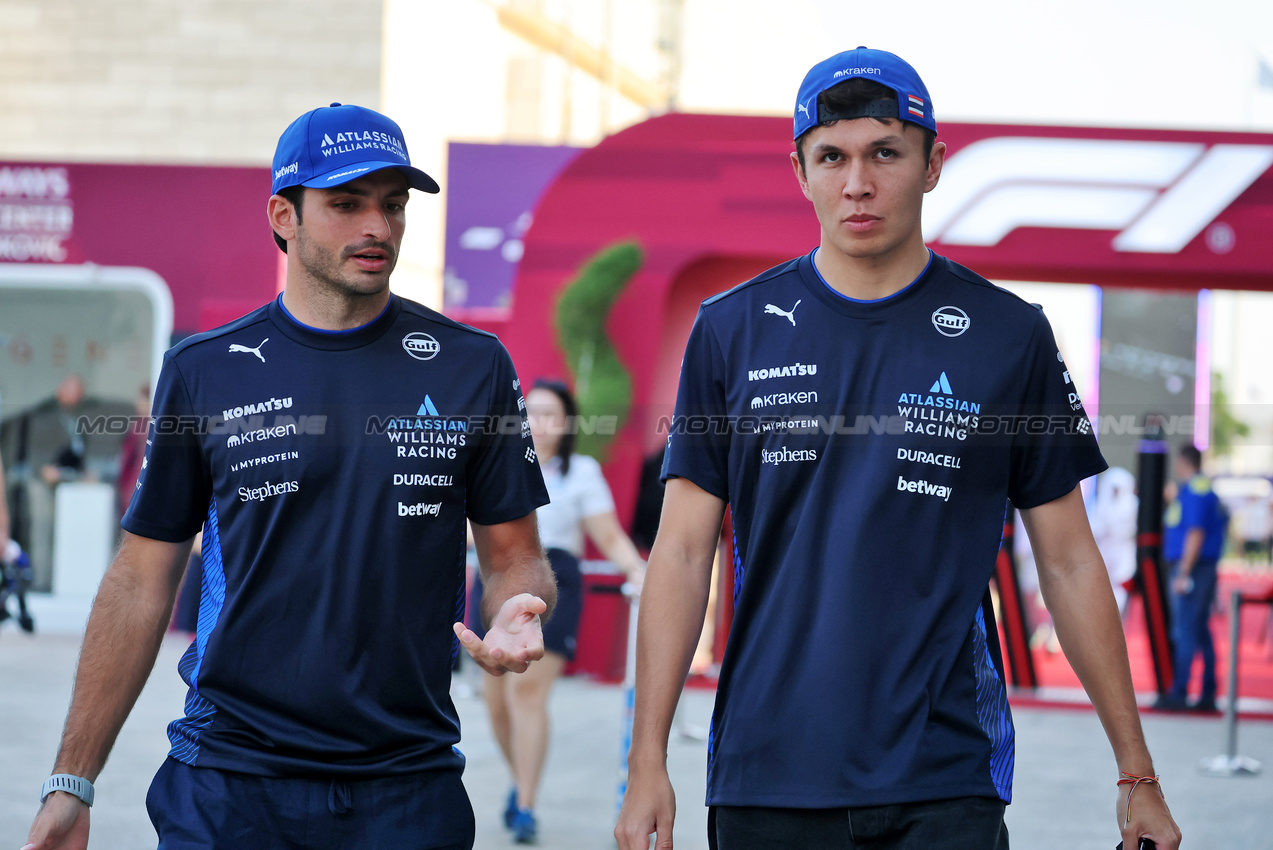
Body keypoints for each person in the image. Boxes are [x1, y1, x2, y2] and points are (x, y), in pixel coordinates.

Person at [615, 47, 1181, 850]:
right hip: (767, 771)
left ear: (931, 164)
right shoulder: (730, 329)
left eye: (884, 152)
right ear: (800, 172)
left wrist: (1136, 773)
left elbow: (1068, 560)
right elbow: (678, 554)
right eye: (832, 157)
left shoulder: (1007, 334)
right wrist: (646, 763)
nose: (857, 182)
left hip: (944, 775)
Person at [24, 102, 557, 850]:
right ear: (284, 215)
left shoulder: (474, 367)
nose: (377, 227)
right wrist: (72, 782)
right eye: (345, 204)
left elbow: (513, 557)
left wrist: (519, 605)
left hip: (407, 789)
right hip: (229, 784)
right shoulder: (202, 370)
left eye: (393, 205)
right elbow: (141, 578)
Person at [470, 378, 645, 843]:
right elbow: (471, 532)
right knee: (496, 705)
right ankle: (518, 780)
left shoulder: (581, 471)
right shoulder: (494, 462)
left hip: (554, 581)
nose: (541, 423)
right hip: (496, 580)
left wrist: (637, 570)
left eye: (553, 414)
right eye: (533, 412)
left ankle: (526, 805)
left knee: (526, 696)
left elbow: (608, 536)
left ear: (567, 423)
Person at [1155, 444, 1228, 713]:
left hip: (1195, 568)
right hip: (1199, 567)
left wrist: (1184, 571)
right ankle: (1207, 692)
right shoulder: (1194, 489)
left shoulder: (1196, 490)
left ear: (1183, 462)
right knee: (1199, 630)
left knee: (1187, 628)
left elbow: (1195, 533)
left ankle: (1180, 691)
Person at [1089, 467, 1139, 616]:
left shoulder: (1131, 504)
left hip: (1123, 551)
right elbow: (1095, 527)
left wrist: (1115, 530)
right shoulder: (1101, 503)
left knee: (1121, 585)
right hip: (1105, 549)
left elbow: (1131, 529)